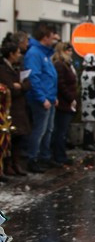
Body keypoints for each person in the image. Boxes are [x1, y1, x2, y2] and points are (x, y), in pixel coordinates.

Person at [24, 20, 59, 172]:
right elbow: (35, 77)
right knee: (39, 130)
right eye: (52, 37)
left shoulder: (44, 53)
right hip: (40, 99)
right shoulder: (34, 53)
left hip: (49, 98)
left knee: (48, 130)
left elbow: (48, 76)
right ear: (45, 37)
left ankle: (45, 156)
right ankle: (33, 158)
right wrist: (42, 98)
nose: (54, 40)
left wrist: (52, 96)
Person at [0, 37, 30, 176]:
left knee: (18, 136)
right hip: (9, 108)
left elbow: (27, 83)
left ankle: (15, 163)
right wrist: (18, 86)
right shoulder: (3, 69)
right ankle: (7, 165)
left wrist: (21, 86)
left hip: (19, 107)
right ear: (11, 54)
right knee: (8, 137)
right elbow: (10, 88)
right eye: (17, 52)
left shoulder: (18, 67)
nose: (20, 55)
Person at [50, 41, 78, 167]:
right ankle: (58, 156)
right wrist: (70, 97)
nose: (71, 53)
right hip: (63, 102)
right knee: (60, 131)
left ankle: (60, 154)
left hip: (66, 101)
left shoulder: (66, 65)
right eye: (69, 51)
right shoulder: (60, 65)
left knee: (62, 130)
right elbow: (61, 84)